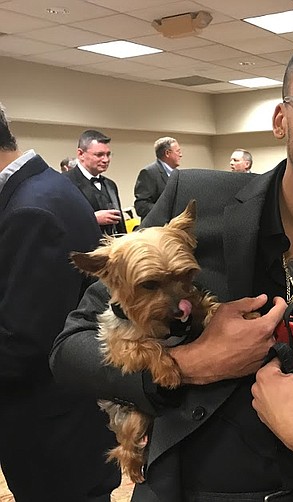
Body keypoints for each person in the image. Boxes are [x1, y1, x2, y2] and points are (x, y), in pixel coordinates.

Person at [50, 4, 293, 501]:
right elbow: (71, 349)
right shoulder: (192, 202)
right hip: (185, 488)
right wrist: (192, 363)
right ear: (282, 119)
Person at [0, 102, 120, 501]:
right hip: (66, 425)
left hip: (52, 433)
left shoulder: (30, 210)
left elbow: (22, 346)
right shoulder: (46, 185)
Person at [63, 129, 126, 235]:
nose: (106, 159)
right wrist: (93, 219)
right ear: (81, 154)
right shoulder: (64, 182)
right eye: (99, 154)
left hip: (112, 248)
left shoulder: (110, 185)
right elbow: (58, 221)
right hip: (83, 250)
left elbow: (120, 224)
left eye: (108, 154)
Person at [134, 136, 182, 218]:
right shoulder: (149, 173)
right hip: (158, 228)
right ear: (167, 153)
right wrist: (167, 211)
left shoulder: (178, 174)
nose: (181, 155)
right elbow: (141, 206)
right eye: (178, 151)